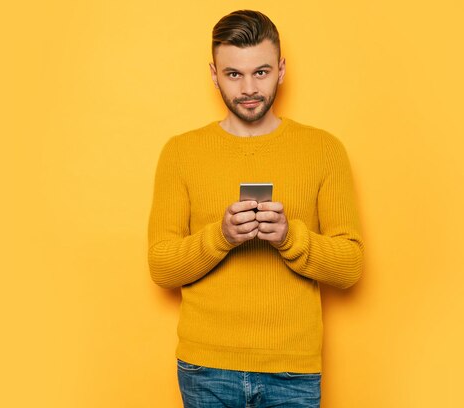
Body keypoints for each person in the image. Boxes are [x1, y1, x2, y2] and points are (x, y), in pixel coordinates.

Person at [147, 9, 363, 408]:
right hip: (205, 367)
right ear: (213, 74)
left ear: (281, 69)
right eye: (234, 74)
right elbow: (161, 267)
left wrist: (289, 237)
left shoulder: (323, 150)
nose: (248, 88)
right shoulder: (180, 153)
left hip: (292, 371)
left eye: (261, 72)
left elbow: (350, 267)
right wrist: (222, 236)